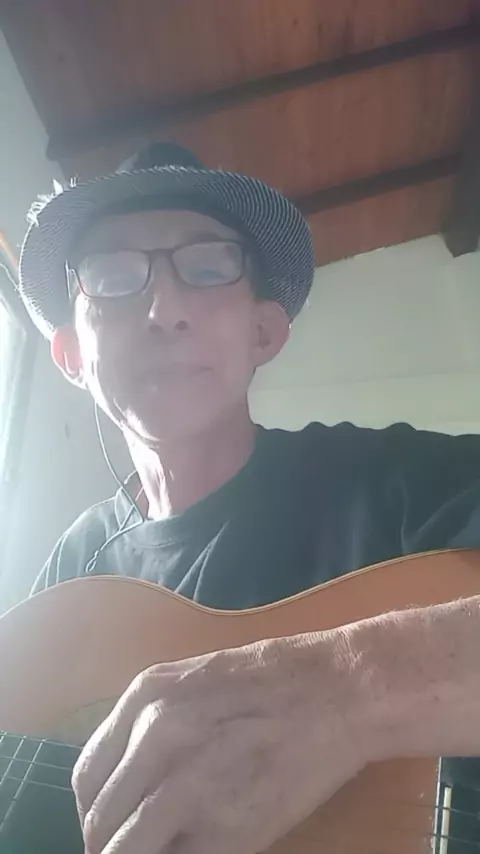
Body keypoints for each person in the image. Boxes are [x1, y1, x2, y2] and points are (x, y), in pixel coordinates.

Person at [18, 142, 480, 854]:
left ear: (264, 331)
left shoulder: (398, 477)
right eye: (112, 276)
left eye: (208, 269)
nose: (164, 309)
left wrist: (349, 687)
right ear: (72, 355)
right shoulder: (71, 572)